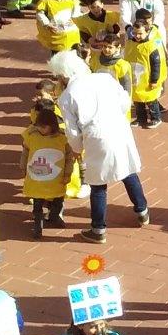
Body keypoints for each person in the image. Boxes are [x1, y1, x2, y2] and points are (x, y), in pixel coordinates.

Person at [49, 51, 149, 244]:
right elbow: (124, 102)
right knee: (128, 171)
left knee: (98, 184)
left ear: (63, 76)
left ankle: (98, 228)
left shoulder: (67, 96)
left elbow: (72, 131)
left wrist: (77, 148)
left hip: (95, 137)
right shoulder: (105, 78)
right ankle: (142, 210)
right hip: (120, 129)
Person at [22, 103, 71, 238]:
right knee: (37, 204)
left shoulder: (62, 138)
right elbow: (25, 152)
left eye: (43, 127)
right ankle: (38, 226)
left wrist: (68, 173)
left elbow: (68, 158)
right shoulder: (32, 136)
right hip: (36, 178)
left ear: (52, 126)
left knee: (58, 200)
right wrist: (23, 168)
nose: (40, 129)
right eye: (38, 126)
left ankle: (54, 216)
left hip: (57, 179)